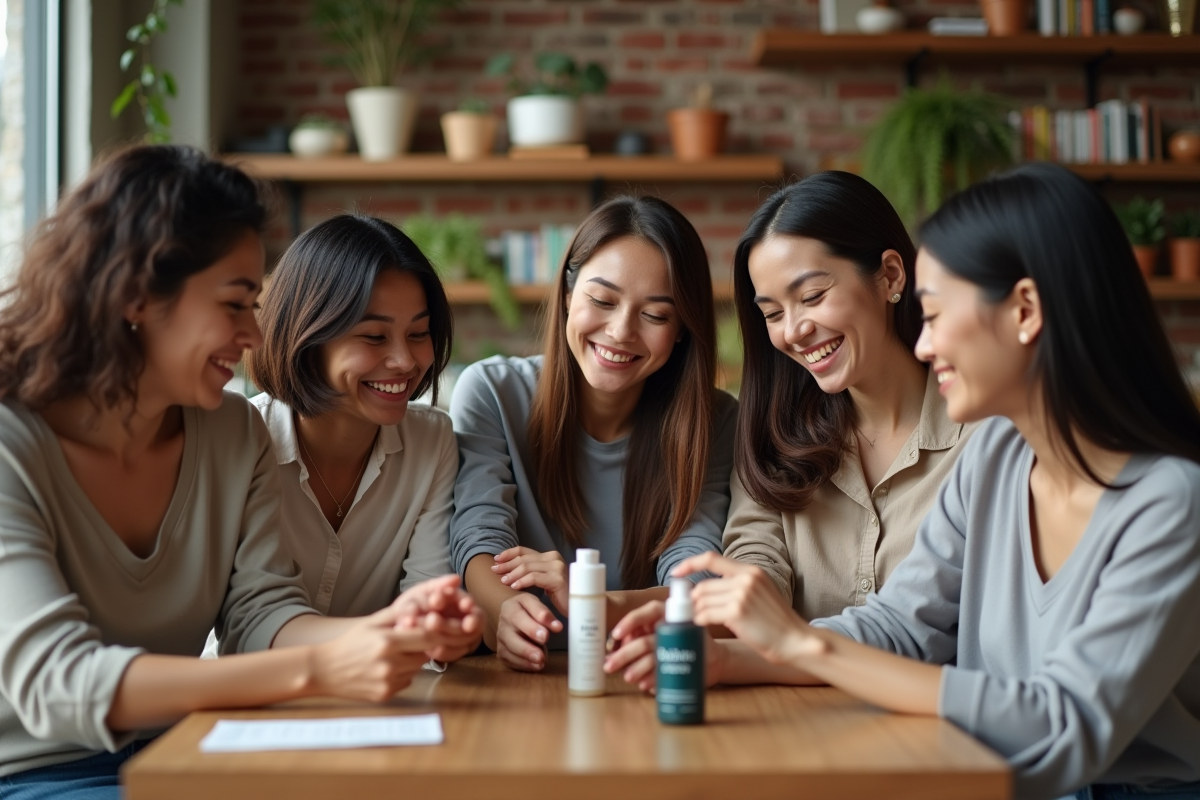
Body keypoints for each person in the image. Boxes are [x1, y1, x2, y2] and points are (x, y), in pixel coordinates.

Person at [611, 163, 1200, 800]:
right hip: (979, 773)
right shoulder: (1000, 456)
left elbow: (1063, 730)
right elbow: (899, 628)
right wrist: (729, 659)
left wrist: (802, 647)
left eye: (939, 314)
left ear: (1025, 310)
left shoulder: (1172, 501)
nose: (924, 345)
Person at [0, 146, 481, 798]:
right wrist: (318, 669)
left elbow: (259, 613)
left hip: (191, 748)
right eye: (234, 304)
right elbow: (59, 684)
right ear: (137, 295)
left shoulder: (231, 431)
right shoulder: (12, 442)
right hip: (36, 773)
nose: (255, 334)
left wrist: (382, 633)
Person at [449, 195, 737, 672]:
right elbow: (479, 532)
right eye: (602, 300)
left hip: (638, 675)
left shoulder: (716, 419)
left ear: (684, 328)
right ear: (567, 294)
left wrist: (594, 601)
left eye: (657, 315)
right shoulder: (492, 393)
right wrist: (502, 610)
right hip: (517, 680)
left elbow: (699, 577)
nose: (621, 331)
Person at [246, 214, 458, 618]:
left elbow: (427, 616)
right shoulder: (245, 440)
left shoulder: (433, 443)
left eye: (418, 334)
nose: (405, 361)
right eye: (374, 336)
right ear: (307, 338)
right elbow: (254, 629)